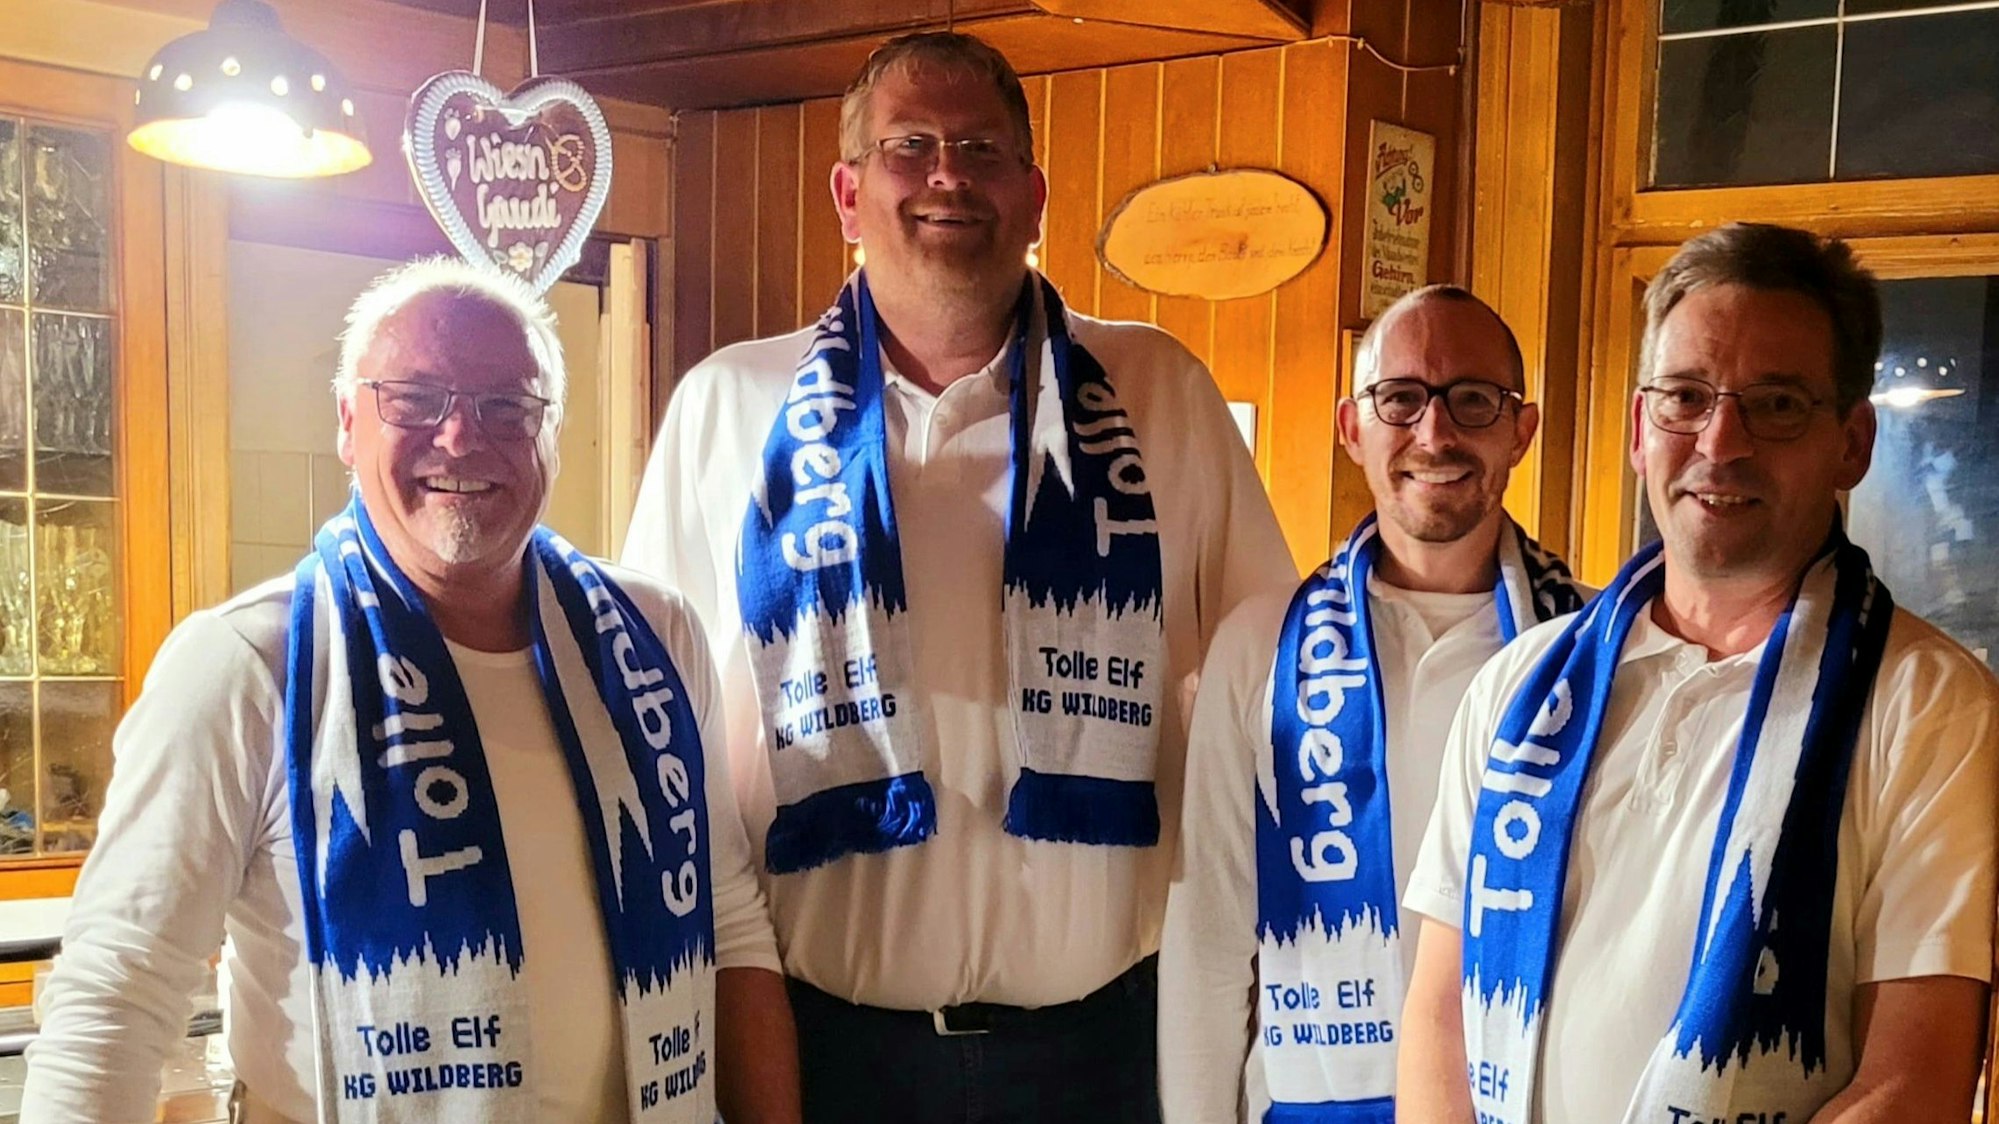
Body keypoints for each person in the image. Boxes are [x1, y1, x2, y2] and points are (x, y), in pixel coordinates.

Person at [619, 29, 1297, 1124]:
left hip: (1103, 1048)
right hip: (824, 1046)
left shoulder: (1160, 392)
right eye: (910, 146)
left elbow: (1272, 688)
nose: (947, 175)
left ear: (1032, 195)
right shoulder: (726, 406)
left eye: (981, 149)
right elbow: (657, 732)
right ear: (847, 193)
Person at [22, 258, 801, 1124]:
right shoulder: (248, 663)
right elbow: (117, 992)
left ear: (551, 431)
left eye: (507, 405)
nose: (462, 437)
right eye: (416, 398)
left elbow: (724, 917)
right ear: (349, 422)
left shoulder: (655, 634)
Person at [1396, 222, 1999, 1124]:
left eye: (1777, 403)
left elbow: (1914, 1082)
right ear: (1641, 428)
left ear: (1852, 441)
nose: (1720, 443)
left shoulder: (1928, 706)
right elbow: (1441, 1014)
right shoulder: (1519, 685)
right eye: (1684, 396)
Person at [1158, 286, 1587, 1123]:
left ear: (1520, 430)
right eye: (1400, 399)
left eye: (1473, 400)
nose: (1435, 433)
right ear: (1352, 426)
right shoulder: (1260, 645)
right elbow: (1209, 938)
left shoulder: (1592, 647)